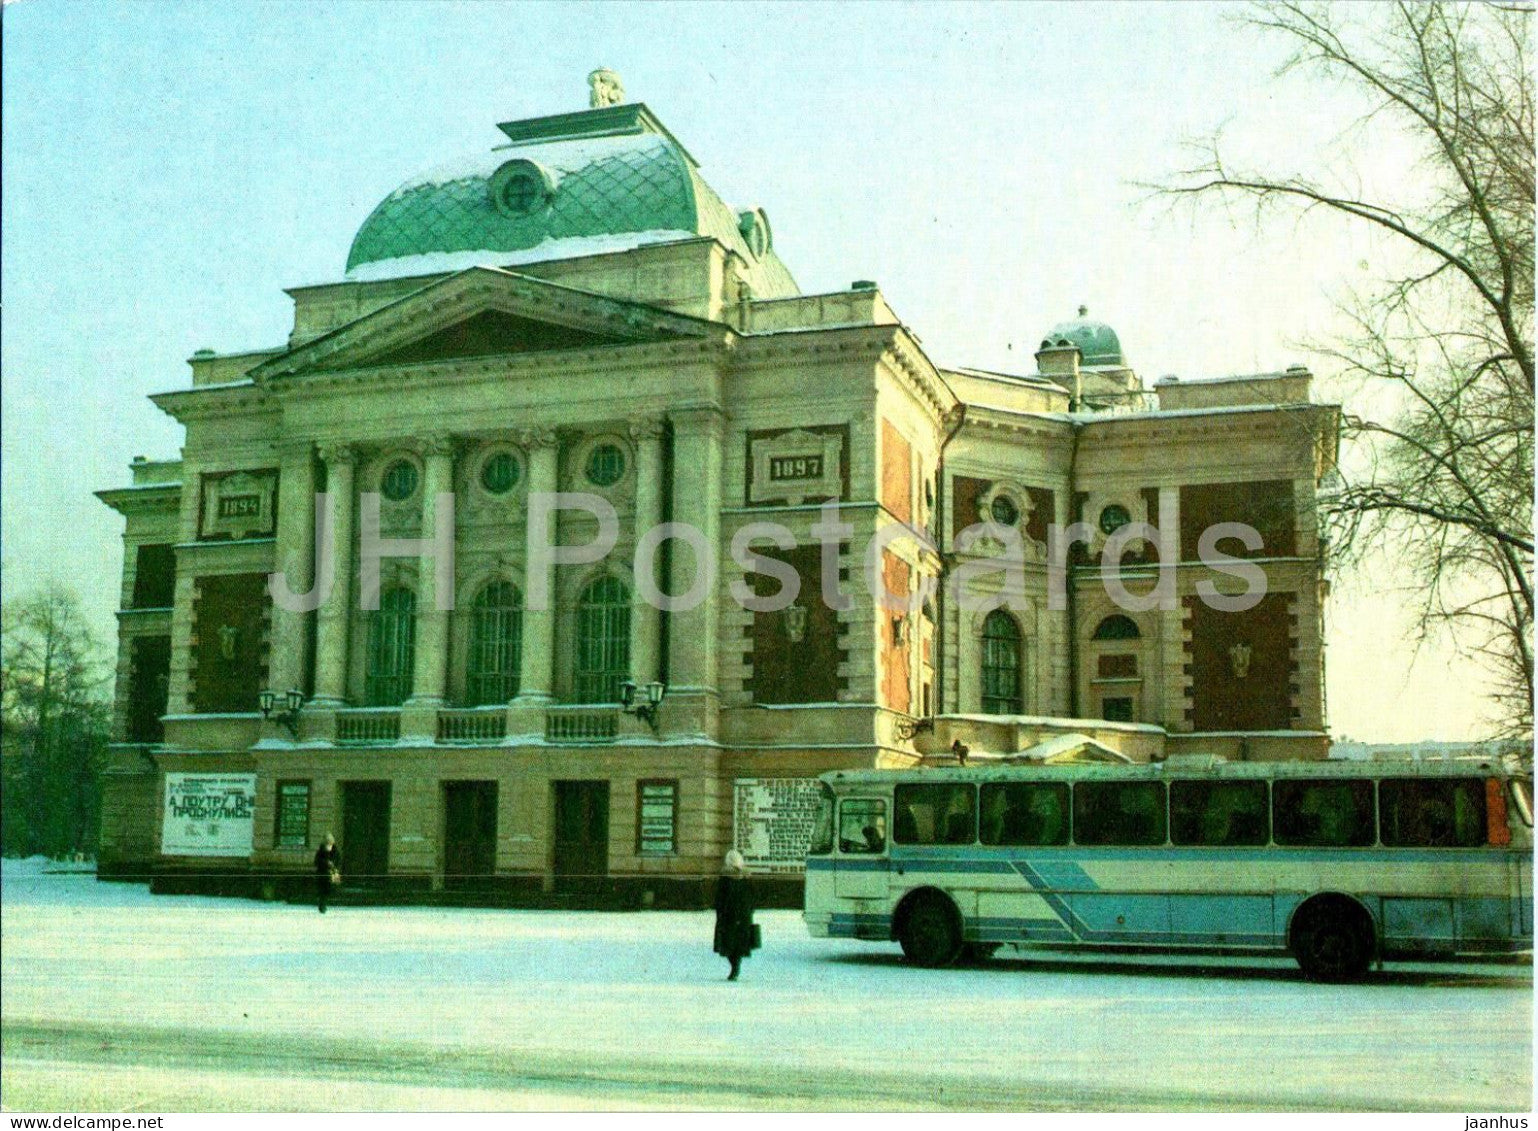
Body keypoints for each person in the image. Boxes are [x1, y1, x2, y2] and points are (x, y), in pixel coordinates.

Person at [712, 849, 757, 981]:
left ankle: (734, 966)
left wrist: (719, 911)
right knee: (739, 943)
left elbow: (720, 898)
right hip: (743, 916)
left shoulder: (725, 878)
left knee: (728, 943)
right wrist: (750, 910)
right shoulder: (747, 877)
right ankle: (736, 965)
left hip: (728, 917)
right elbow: (753, 896)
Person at [314, 832, 341, 914]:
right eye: (327, 842)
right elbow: (316, 862)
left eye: (330, 841)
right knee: (323, 890)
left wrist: (334, 867)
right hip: (322, 873)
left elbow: (338, 861)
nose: (329, 843)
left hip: (331, 873)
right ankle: (322, 905)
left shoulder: (335, 851)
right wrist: (326, 863)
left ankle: (322, 904)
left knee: (327, 890)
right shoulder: (321, 851)